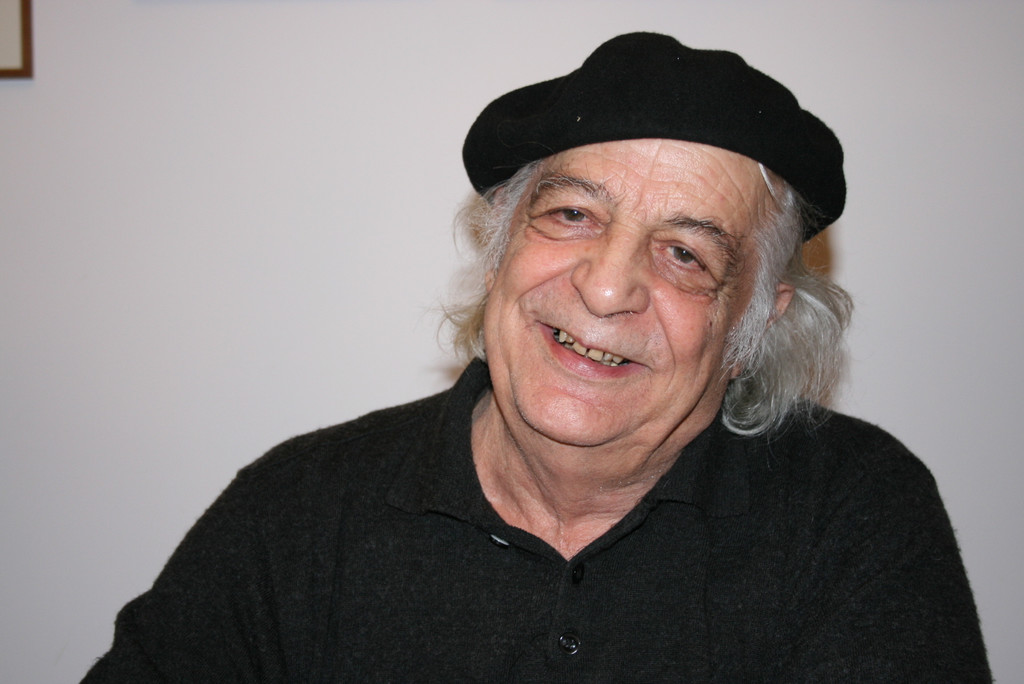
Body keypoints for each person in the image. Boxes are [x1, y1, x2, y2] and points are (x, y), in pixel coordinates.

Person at [83, 32, 990, 681]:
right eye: (573, 215)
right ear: (498, 251)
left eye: (686, 254)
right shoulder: (296, 511)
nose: (607, 287)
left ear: (753, 327)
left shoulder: (855, 513)